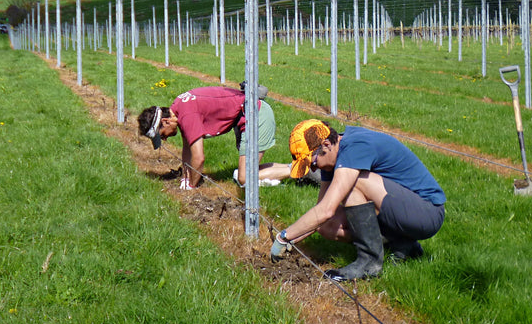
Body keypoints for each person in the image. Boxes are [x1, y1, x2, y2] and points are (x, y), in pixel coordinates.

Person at [270, 119, 445, 281]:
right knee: (327, 227)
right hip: (400, 210)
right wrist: (293, 239)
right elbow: (321, 215)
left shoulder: (354, 148)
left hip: (427, 213)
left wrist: (284, 237)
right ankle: (402, 243)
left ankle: (369, 263)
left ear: (326, 144)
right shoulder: (332, 157)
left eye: (313, 163)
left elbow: (326, 209)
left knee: (354, 182)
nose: (314, 169)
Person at [138, 85, 292, 189]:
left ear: (165, 122)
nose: (164, 139)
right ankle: (295, 167)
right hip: (246, 116)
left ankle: (300, 171)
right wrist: (185, 178)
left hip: (256, 115)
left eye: (162, 135)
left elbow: (198, 158)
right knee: (244, 173)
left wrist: (191, 186)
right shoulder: (178, 107)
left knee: (244, 178)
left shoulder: (187, 115)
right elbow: (187, 149)